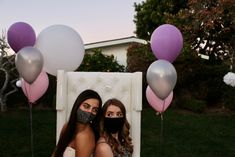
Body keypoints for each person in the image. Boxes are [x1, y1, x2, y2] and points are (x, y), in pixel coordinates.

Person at [52, 89, 102, 157]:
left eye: (95, 110)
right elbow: (56, 152)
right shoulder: (67, 126)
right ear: (77, 105)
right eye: (86, 106)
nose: (90, 111)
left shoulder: (84, 136)